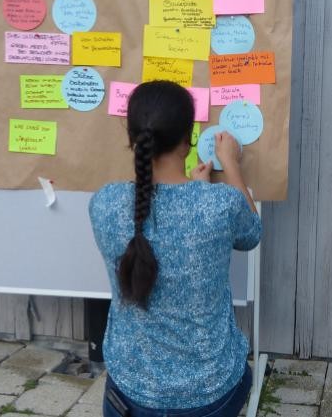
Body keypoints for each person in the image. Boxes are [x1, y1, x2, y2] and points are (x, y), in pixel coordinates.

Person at [88, 80, 261, 416]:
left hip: (130, 391)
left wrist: (196, 192)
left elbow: (159, 223)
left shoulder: (105, 203)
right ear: (189, 139)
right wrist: (232, 165)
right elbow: (251, 233)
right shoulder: (219, 205)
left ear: (132, 138)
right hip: (210, 392)